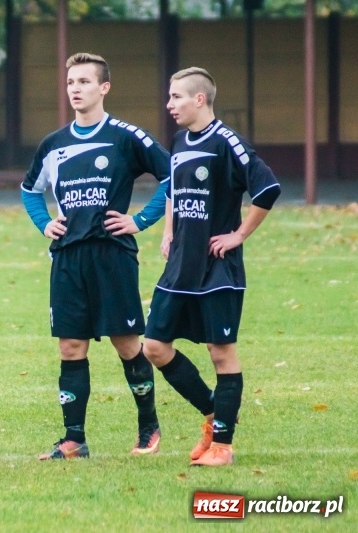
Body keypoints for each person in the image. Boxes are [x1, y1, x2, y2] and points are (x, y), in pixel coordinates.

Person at [21, 53, 170, 460]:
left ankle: (148, 427)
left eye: (84, 81)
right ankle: (74, 439)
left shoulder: (125, 137)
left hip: (112, 255)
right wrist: (44, 223)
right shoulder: (53, 144)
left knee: (126, 343)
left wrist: (140, 219)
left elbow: (172, 174)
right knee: (71, 346)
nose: (75, 88)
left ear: (104, 88)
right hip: (68, 257)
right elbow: (30, 190)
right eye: (71, 81)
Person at [142, 67, 281, 466]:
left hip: (217, 268)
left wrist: (239, 235)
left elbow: (268, 188)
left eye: (176, 97)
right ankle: (214, 412)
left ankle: (223, 445)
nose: (169, 105)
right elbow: (173, 187)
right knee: (154, 347)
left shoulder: (227, 141)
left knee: (220, 353)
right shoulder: (179, 141)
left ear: (199, 99)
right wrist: (169, 231)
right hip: (180, 265)